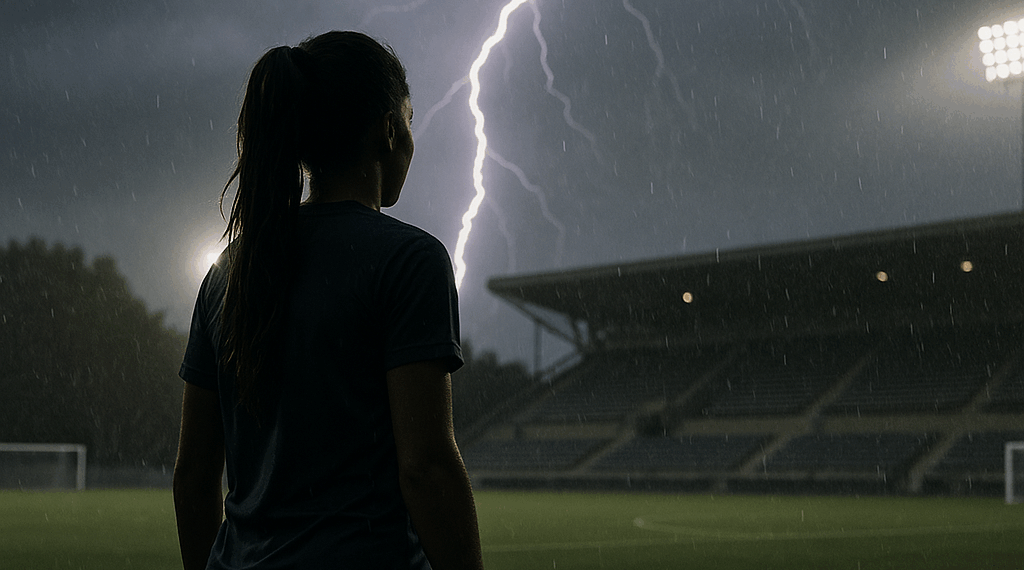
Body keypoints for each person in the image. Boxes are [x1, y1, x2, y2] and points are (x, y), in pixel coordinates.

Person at [172, 31, 484, 570]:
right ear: (388, 131)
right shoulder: (409, 260)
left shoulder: (228, 271)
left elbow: (194, 475)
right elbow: (426, 467)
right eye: (410, 120)